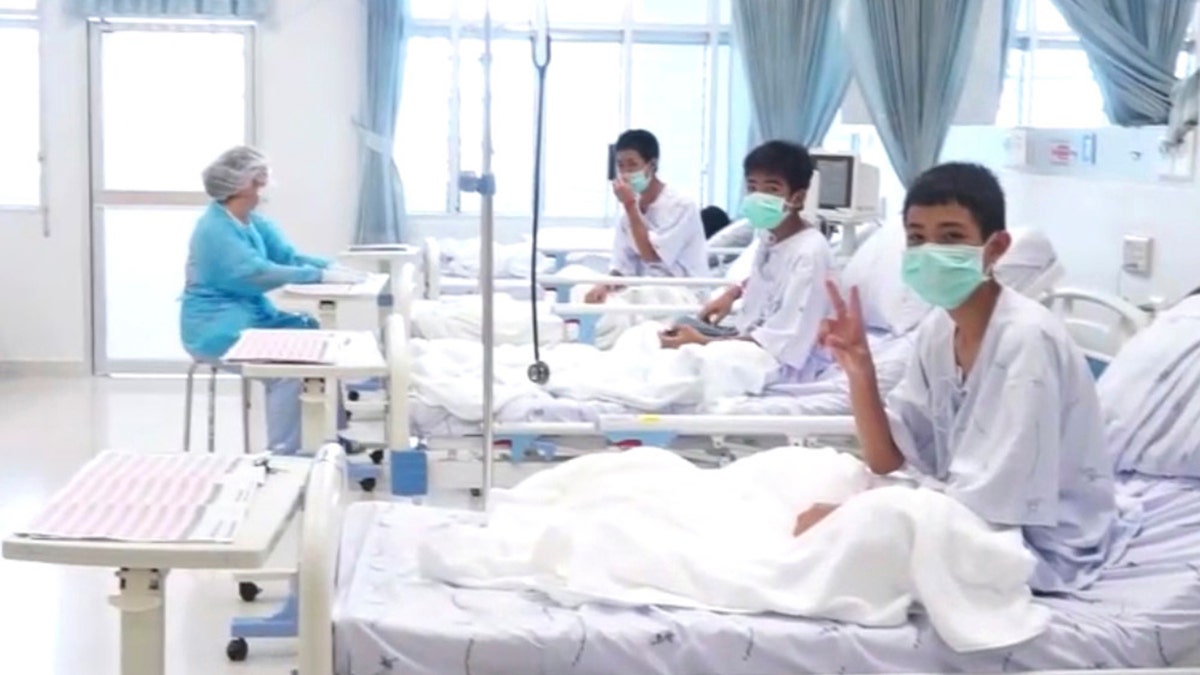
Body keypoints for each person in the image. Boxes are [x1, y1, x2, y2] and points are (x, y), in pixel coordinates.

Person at [803, 162, 1132, 593]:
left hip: (1033, 542)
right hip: (961, 512)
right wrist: (860, 371)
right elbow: (890, 461)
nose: (929, 251)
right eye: (917, 238)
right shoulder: (938, 331)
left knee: (833, 537)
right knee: (799, 475)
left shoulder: (1025, 342)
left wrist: (858, 517)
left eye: (952, 236)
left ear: (995, 248)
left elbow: (992, 511)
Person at [180, 146, 363, 455]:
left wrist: (328, 267)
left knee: (314, 334)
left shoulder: (250, 221)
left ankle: (330, 434)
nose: (265, 184)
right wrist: (316, 277)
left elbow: (286, 257)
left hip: (252, 318)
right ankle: (286, 455)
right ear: (240, 185)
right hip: (216, 330)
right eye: (259, 177)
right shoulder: (214, 230)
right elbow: (256, 272)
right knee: (287, 369)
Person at [658, 140, 833, 384]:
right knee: (660, 332)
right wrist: (732, 293)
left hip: (773, 361)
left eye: (772, 189)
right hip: (746, 338)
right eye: (752, 187)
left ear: (798, 197)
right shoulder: (770, 234)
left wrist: (703, 342)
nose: (759, 196)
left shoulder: (809, 254)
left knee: (684, 359)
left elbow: (784, 342)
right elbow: (773, 277)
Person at [584, 129, 707, 304]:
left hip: (681, 292)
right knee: (585, 292)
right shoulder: (627, 215)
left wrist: (629, 205)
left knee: (627, 304)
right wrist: (605, 286)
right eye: (620, 165)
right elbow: (622, 267)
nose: (625, 173)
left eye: (632, 164)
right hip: (643, 289)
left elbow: (651, 255)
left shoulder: (681, 206)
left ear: (652, 165)